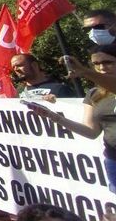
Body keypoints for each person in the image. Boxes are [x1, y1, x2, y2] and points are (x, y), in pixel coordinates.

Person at [30, 45, 116, 193]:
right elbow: (91, 131)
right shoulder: (94, 94)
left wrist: (85, 72)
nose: (102, 67)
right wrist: (55, 117)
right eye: (96, 64)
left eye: (108, 62)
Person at [11, 53, 76, 101]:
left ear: (34, 65)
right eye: (13, 67)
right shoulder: (18, 93)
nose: (16, 69)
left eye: (19, 65)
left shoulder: (60, 89)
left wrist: (56, 102)